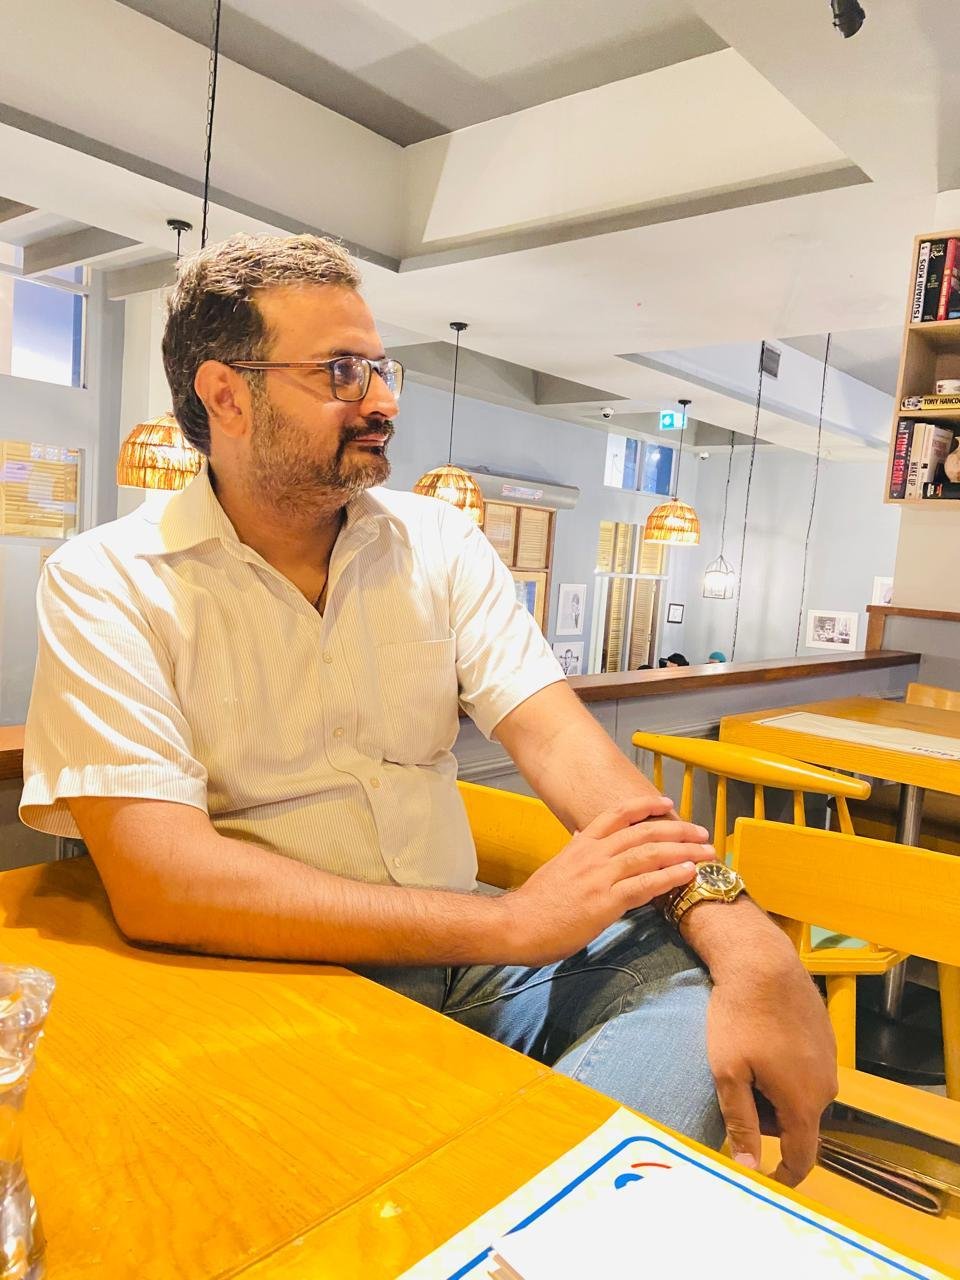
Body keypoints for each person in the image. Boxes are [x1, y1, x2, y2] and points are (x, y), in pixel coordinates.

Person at [21, 234, 835, 1183]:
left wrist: (740, 930)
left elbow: (561, 741)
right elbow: (166, 883)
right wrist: (507, 926)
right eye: (342, 371)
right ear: (226, 395)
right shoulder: (104, 580)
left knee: (692, 996)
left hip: (477, 965)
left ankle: (522, 1216)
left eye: (381, 368)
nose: (383, 400)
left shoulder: (440, 543)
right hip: (279, 978)